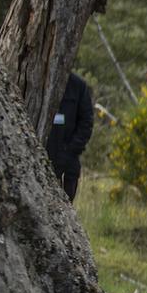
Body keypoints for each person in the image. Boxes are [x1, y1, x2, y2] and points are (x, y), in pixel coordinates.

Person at [45, 72, 95, 202]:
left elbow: (86, 123)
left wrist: (70, 150)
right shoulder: (41, 79)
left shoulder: (78, 86)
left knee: (65, 205)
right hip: (43, 154)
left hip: (69, 157)